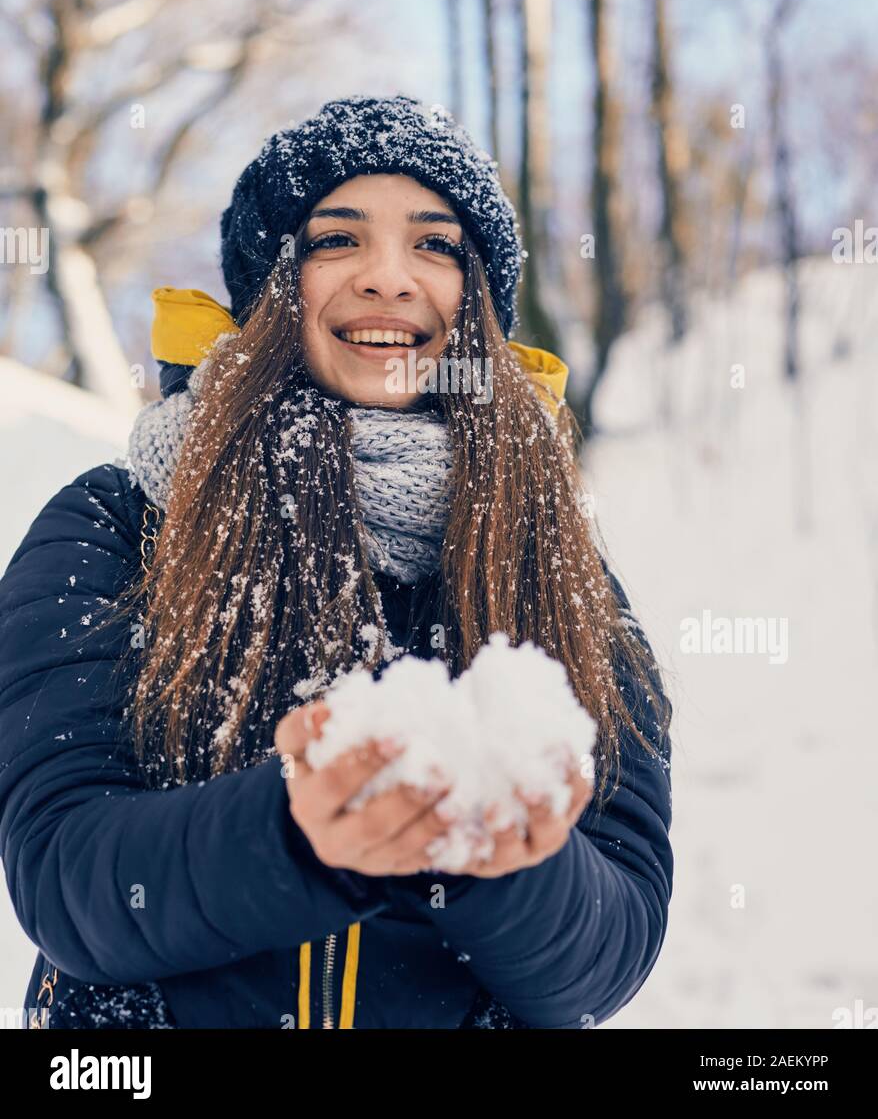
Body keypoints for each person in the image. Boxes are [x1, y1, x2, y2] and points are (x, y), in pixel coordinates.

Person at [0, 95, 672, 1030]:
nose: (390, 279)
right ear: (272, 287)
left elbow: (611, 951)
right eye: (336, 240)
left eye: (436, 246)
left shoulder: (556, 567)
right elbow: (65, 872)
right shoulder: (120, 522)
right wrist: (296, 837)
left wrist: (506, 862)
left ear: (475, 303)